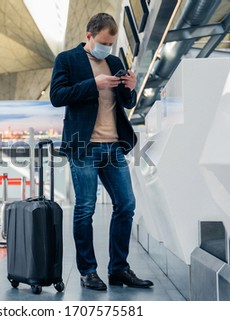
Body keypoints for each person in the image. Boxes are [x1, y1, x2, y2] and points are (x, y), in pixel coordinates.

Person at [50, 12, 153, 290]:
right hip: (83, 145)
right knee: (85, 208)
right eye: (103, 42)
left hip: (113, 145)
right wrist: (93, 84)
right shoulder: (67, 60)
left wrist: (130, 89)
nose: (107, 47)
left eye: (111, 43)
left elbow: (125, 102)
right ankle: (88, 271)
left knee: (126, 205)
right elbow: (57, 96)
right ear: (89, 36)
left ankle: (118, 268)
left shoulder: (114, 61)